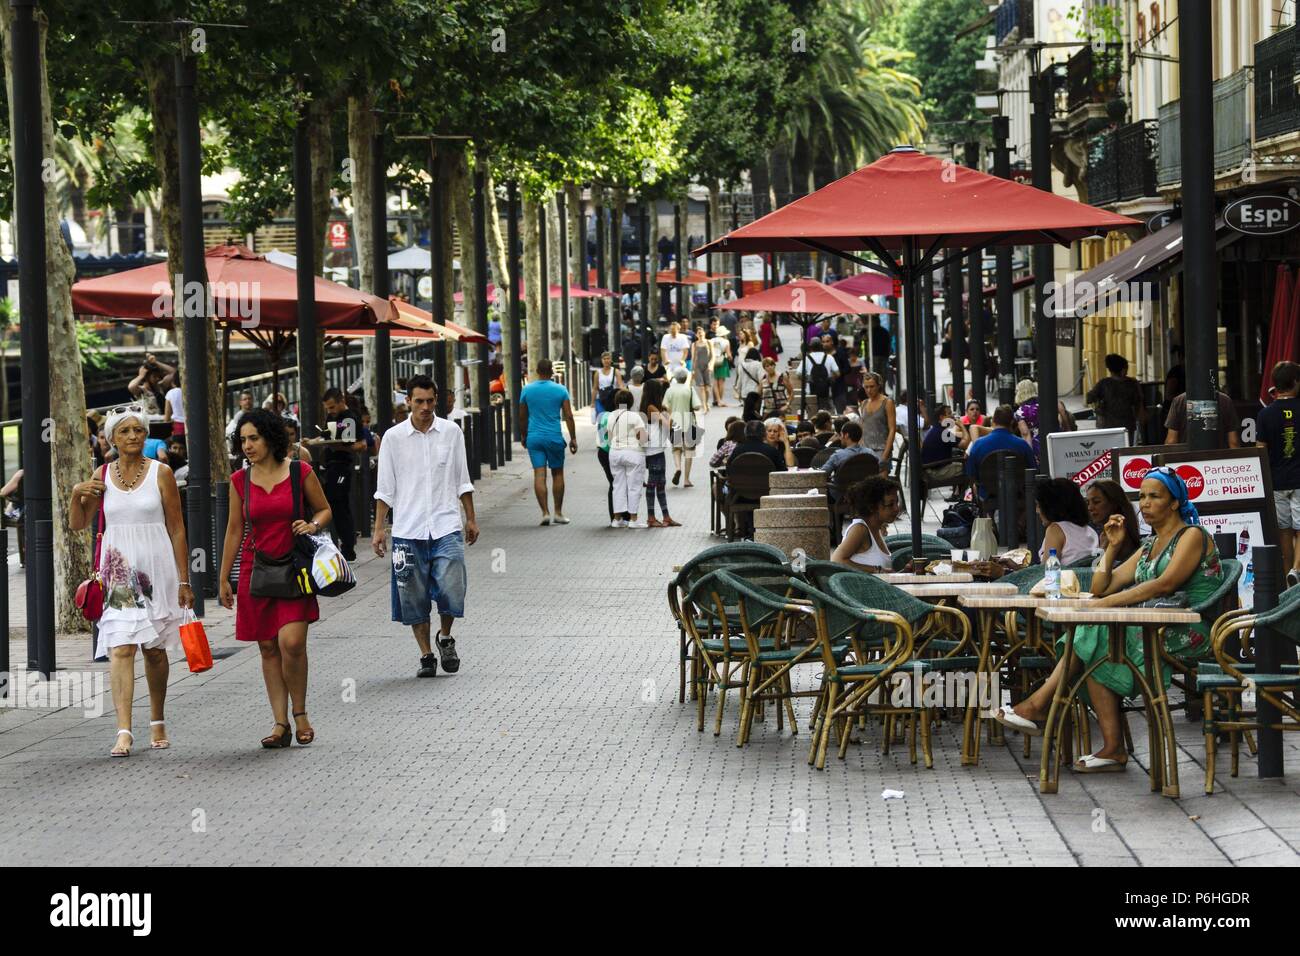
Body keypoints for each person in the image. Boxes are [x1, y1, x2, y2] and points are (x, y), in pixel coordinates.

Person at [995, 467, 1223, 773]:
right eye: (1142, 496)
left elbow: (1164, 584)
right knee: (1091, 644)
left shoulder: (1192, 535)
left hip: (1189, 629)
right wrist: (1112, 547)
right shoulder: (1149, 545)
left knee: (1093, 635)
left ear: (1174, 503)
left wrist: (1102, 606)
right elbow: (1103, 585)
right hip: (1152, 624)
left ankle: (1040, 706)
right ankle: (1109, 747)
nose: (1145, 503)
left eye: (1155, 496)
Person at [69, 405, 192, 756]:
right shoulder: (102, 474)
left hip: (157, 569)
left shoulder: (162, 473)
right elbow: (78, 524)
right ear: (112, 438)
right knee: (121, 647)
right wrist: (77, 493)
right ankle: (123, 731)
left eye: (138, 430)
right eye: (124, 431)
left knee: (154, 650)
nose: (133, 436)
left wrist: (184, 580)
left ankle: (157, 720)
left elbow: (177, 529)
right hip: (118, 572)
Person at [219, 410, 331, 749]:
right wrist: (223, 578)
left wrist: (312, 525)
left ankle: (301, 713)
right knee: (267, 647)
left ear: (270, 437)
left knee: (291, 643)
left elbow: (324, 509)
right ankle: (280, 723)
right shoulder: (239, 480)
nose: (247, 445)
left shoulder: (299, 471)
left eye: (254, 438)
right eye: (243, 440)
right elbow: (234, 529)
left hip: (294, 568)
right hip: (255, 570)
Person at [372, 375, 479, 679]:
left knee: (452, 586)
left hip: (446, 525)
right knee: (413, 597)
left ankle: (445, 636)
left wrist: (471, 518)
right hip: (408, 530)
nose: (425, 407)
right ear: (408, 401)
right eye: (419, 401)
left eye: (430, 401)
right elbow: (385, 489)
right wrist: (379, 529)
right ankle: (426, 655)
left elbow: (462, 479)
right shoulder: (393, 438)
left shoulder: (451, 432)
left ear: (437, 400)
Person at [517, 358, 578, 526]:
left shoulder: (527, 390)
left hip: (534, 437)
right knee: (557, 474)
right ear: (551, 371)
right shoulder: (561, 390)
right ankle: (558, 513)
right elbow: (568, 416)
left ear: (537, 371)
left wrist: (524, 435)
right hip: (554, 437)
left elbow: (522, 416)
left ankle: (545, 513)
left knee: (539, 474)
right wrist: (573, 438)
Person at [1256, 360, 1300, 574]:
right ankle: (1296, 570)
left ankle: (1287, 574)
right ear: (1295, 382)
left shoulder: (1265, 414)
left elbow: (1260, 450)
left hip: (1276, 482)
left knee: (1284, 531)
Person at [320, 387, 365, 561]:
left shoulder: (350, 418)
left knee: (339, 504)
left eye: (332, 407)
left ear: (341, 402)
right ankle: (342, 543)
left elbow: (360, 444)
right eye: (327, 408)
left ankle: (347, 546)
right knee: (335, 504)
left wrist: (341, 446)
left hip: (343, 465)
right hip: (330, 464)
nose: (330, 411)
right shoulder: (331, 418)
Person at [831, 476, 904, 571]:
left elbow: (884, 571)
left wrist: (904, 571)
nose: (896, 509)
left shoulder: (877, 528)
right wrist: (876, 570)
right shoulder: (860, 529)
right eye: (890, 505)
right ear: (872, 507)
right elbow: (836, 560)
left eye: (897, 502)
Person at [965, 404, 1037, 497]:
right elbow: (1032, 470)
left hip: (987, 495)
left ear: (993, 421)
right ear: (1011, 422)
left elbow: (971, 473)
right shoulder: (1022, 444)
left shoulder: (978, 444)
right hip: (1017, 494)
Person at [607, 389, 648, 528]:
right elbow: (642, 437)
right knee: (634, 486)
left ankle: (617, 519)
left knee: (618, 485)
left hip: (615, 452)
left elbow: (610, 437)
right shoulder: (635, 416)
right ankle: (633, 519)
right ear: (631, 402)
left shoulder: (611, 416)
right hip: (633, 453)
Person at [641, 379, 679, 527]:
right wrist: (667, 414)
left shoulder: (653, 407)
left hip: (657, 450)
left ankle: (666, 516)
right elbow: (667, 424)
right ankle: (651, 517)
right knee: (652, 484)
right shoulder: (650, 408)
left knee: (661, 484)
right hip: (653, 451)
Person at [1036, 477, 1097, 566]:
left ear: (1050, 506)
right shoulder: (1091, 531)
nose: (1037, 511)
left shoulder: (1055, 530)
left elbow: (1047, 570)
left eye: (1038, 505)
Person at [1086, 353, 1147, 441]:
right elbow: (1138, 402)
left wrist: (1098, 402)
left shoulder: (1104, 384)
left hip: (1107, 426)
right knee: (1125, 447)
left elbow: (1089, 398)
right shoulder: (1132, 384)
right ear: (1123, 369)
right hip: (1126, 426)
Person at [1086, 478, 1140, 564]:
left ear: (1114, 503)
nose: (1090, 508)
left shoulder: (1120, 535)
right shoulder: (1104, 534)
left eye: (1096, 502)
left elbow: (1098, 567)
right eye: (1088, 503)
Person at [1163, 389, 1241, 448]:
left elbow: (1171, 442)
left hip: (1188, 460)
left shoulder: (1179, 400)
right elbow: (1233, 442)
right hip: (1218, 460)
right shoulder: (1225, 400)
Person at [820, 420, 869, 501]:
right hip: (865, 495)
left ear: (846, 435)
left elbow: (822, 474)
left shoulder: (838, 455)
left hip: (841, 496)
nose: (840, 438)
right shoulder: (870, 453)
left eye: (841, 435)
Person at [921, 404, 968, 485]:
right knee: (969, 467)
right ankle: (969, 492)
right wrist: (962, 426)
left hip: (930, 469)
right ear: (942, 417)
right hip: (936, 472)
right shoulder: (943, 433)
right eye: (949, 413)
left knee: (962, 462)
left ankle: (959, 492)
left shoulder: (937, 429)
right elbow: (965, 444)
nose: (952, 416)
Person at [857, 372, 895, 462]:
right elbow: (862, 427)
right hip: (865, 449)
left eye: (872, 386)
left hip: (882, 448)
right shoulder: (864, 403)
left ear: (878, 386)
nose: (869, 390)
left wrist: (885, 454)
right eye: (866, 387)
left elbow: (892, 429)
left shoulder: (887, 402)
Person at [802, 339, 838, 409]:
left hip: (810, 391)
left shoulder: (807, 358)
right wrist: (828, 379)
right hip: (826, 392)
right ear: (821, 346)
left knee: (812, 412)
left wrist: (808, 378)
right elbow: (837, 373)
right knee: (826, 412)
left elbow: (799, 373)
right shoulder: (829, 357)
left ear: (811, 347)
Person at [591, 351, 623, 422]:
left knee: (612, 420)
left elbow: (621, 385)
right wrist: (592, 403)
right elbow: (595, 388)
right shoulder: (598, 373)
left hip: (613, 400)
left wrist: (622, 400)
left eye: (608, 358)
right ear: (601, 360)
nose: (606, 360)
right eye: (604, 359)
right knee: (601, 420)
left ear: (611, 360)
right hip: (601, 400)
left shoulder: (616, 371)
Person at [736, 347, 765, 422]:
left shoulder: (742, 365)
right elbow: (761, 379)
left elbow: (740, 380)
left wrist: (739, 392)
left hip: (745, 393)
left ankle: (746, 425)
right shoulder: (759, 365)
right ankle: (755, 426)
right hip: (755, 392)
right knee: (755, 412)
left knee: (747, 412)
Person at [1013, 379, 1040, 457]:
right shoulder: (1044, 404)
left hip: (1036, 446)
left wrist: (1030, 456)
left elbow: (1025, 434)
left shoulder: (1021, 412)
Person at [709, 319, 733, 407]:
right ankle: (720, 400)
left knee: (715, 382)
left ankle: (717, 400)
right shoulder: (726, 341)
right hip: (722, 361)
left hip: (713, 361)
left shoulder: (712, 340)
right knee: (721, 382)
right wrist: (730, 358)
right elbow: (729, 355)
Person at [226, 391, 256, 459]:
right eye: (245, 399)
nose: (247, 401)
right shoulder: (239, 416)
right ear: (240, 402)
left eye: (249, 398)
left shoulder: (255, 414)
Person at [690, 325, 713, 413]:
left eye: (701, 332)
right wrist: (692, 369)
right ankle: (704, 406)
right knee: (701, 387)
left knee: (707, 388)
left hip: (707, 367)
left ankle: (706, 402)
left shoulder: (709, 342)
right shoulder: (694, 344)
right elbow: (693, 358)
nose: (700, 334)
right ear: (696, 335)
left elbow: (713, 355)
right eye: (698, 333)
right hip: (698, 367)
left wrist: (711, 365)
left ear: (704, 333)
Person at [162, 372, 185, 437]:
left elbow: (167, 418)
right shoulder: (193, 391)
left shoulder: (171, 393)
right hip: (194, 427)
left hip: (178, 428)